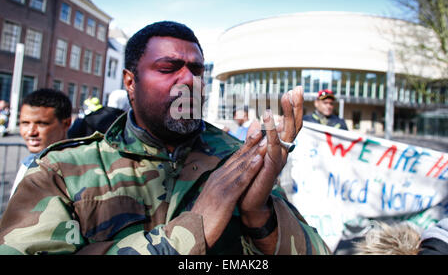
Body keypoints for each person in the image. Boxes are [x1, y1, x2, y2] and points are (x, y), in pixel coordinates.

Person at [0, 21, 330, 255]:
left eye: (198, 71)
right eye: (168, 67)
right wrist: (195, 226)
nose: (189, 80)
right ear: (130, 81)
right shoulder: (62, 170)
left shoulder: (240, 160)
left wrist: (260, 215)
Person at [9, 88, 72, 198]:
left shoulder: (76, 170)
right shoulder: (28, 163)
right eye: (24, 123)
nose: (30, 132)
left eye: (42, 124)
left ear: (66, 124)